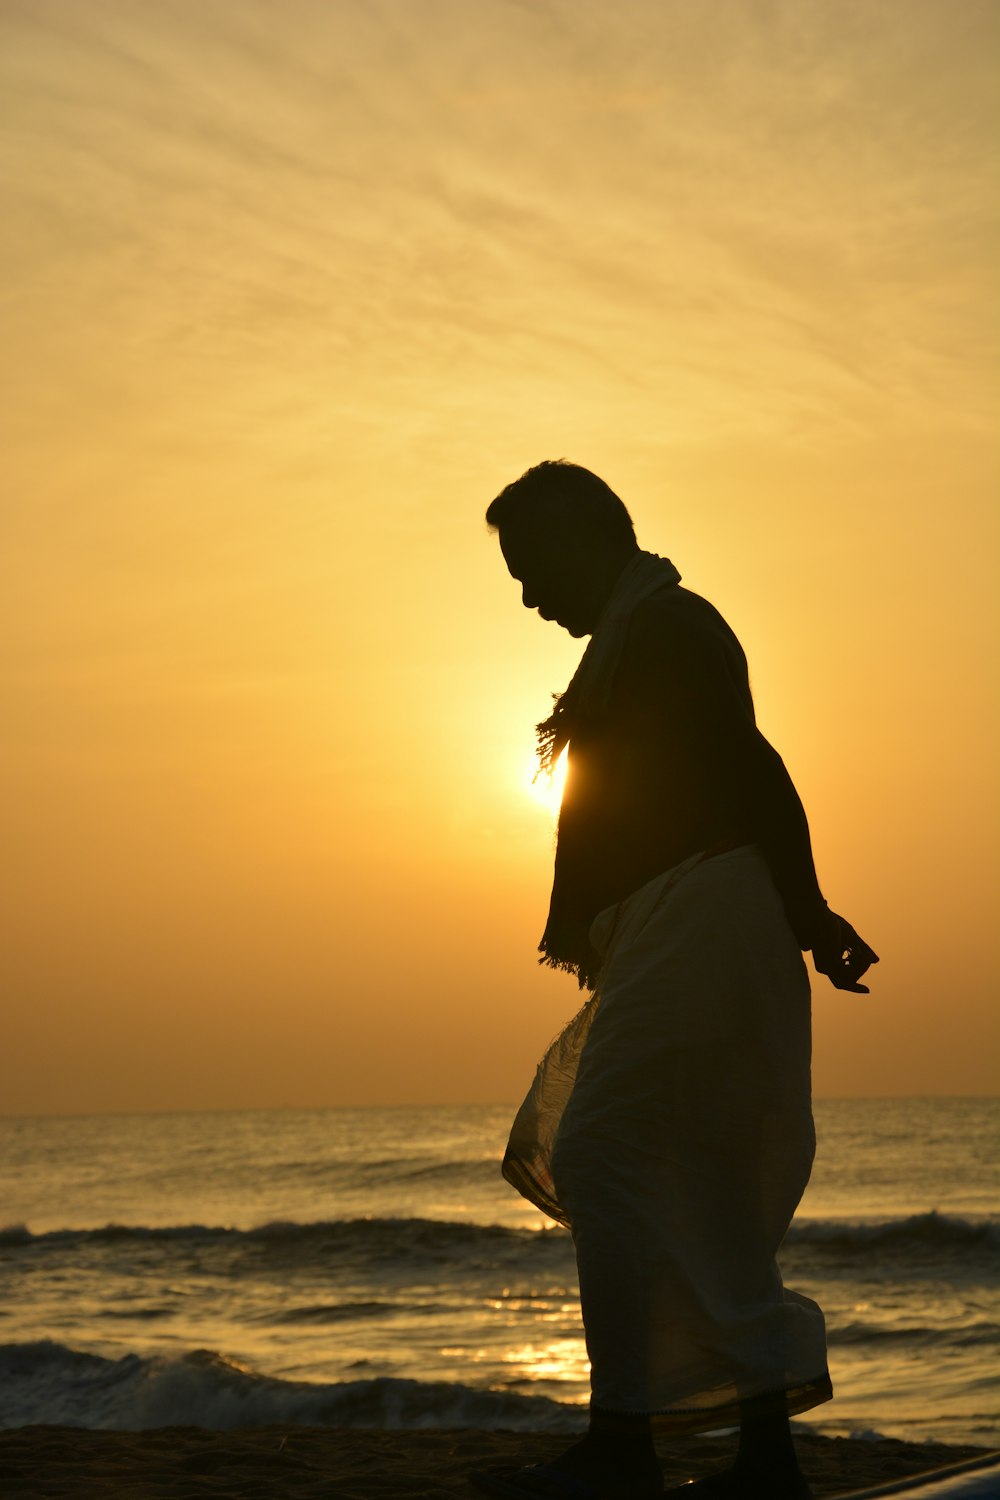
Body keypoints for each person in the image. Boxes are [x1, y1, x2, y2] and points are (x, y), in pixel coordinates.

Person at [471, 462, 878, 1500]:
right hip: (683, 920)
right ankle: (762, 1460)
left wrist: (812, 914)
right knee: (694, 1178)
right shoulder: (638, 638)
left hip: (708, 910)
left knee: (602, 1152)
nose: (526, 596)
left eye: (530, 570)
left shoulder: (670, 632)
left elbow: (754, 767)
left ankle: (623, 1447)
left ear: (585, 539)